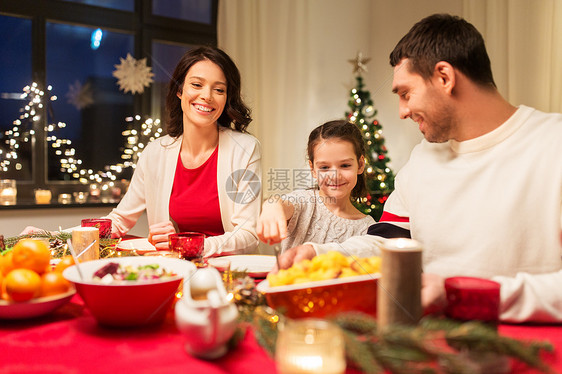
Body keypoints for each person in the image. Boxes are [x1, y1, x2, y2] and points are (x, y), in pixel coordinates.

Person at [278, 14, 562, 323]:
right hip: (428, 341)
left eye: (405, 93)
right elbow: (386, 243)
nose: (401, 112)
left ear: (444, 77)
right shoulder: (423, 158)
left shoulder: (552, 144)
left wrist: (463, 294)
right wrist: (321, 255)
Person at [23, 46, 262, 257]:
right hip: (172, 269)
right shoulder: (155, 152)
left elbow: (248, 234)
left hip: (229, 274)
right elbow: (119, 220)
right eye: (197, 85)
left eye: (219, 90)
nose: (207, 96)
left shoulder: (245, 149)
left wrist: (189, 246)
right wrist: (52, 236)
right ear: (179, 90)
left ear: (226, 97)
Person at [257, 120, 375, 252]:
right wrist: (271, 206)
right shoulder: (304, 201)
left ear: (360, 165)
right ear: (313, 169)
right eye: (324, 167)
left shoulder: (367, 228)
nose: (335, 176)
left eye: (345, 165)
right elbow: (281, 204)